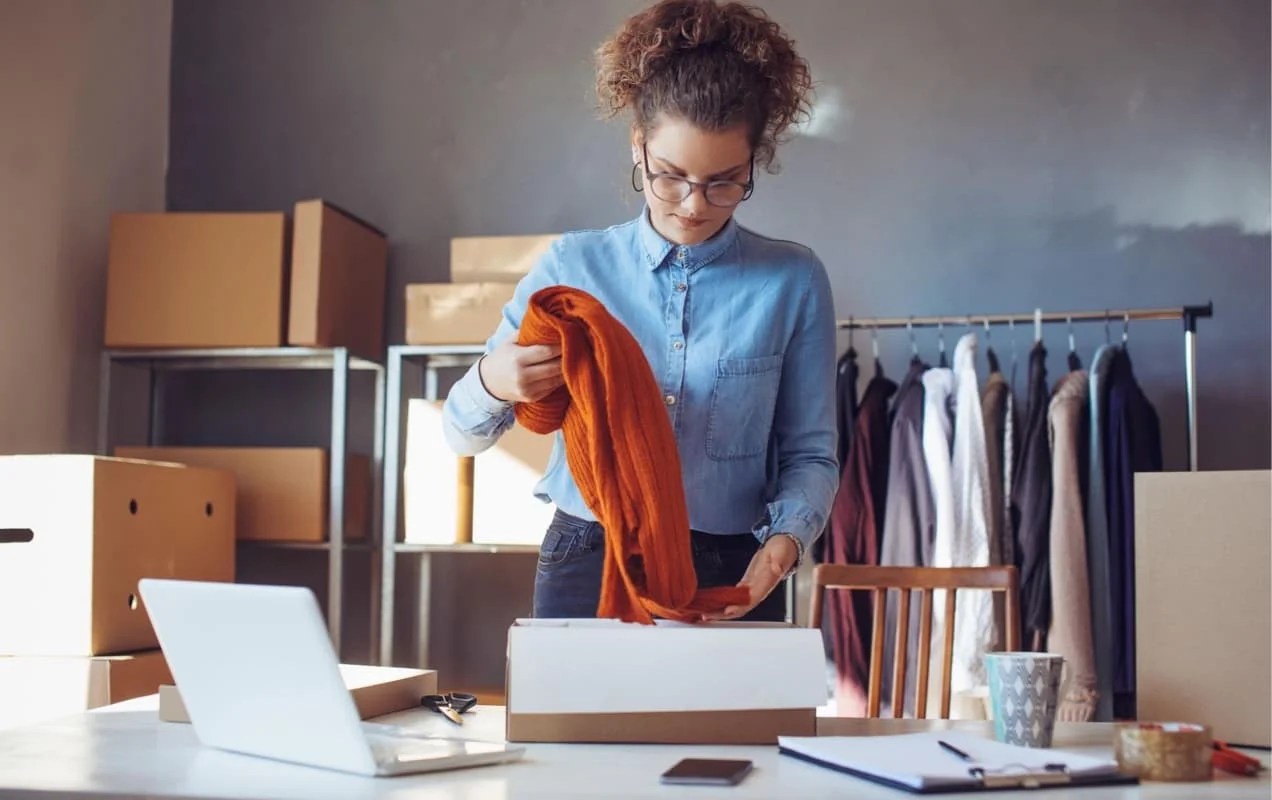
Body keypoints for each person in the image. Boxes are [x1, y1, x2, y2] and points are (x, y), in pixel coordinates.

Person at [442, 0, 837, 622]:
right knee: (582, 726)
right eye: (670, 176)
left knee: (732, 727)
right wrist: (496, 379)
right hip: (588, 560)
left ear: (753, 161)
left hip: (736, 572)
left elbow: (810, 453)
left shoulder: (794, 281)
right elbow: (461, 434)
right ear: (638, 147)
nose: (692, 204)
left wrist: (785, 546)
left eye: (724, 181)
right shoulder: (573, 268)